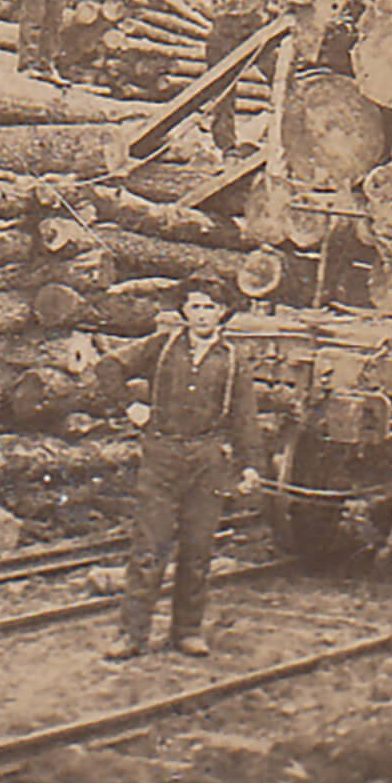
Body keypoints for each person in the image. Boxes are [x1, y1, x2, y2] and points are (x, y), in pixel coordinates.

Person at [101, 282, 264, 661]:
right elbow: (108, 367)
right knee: (149, 548)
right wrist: (130, 407)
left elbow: (245, 418)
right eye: (195, 306)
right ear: (184, 311)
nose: (202, 313)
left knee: (198, 549)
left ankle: (187, 631)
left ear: (222, 312)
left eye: (210, 306)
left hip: (207, 459)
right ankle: (132, 634)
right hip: (161, 455)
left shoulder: (234, 360)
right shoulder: (161, 347)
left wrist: (252, 464)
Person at [185, 0, 283, 153]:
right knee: (222, 87)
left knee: (279, 74)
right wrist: (201, 7)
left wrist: (278, 6)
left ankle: (286, 137)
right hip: (224, 27)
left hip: (254, 28)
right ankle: (226, 145)